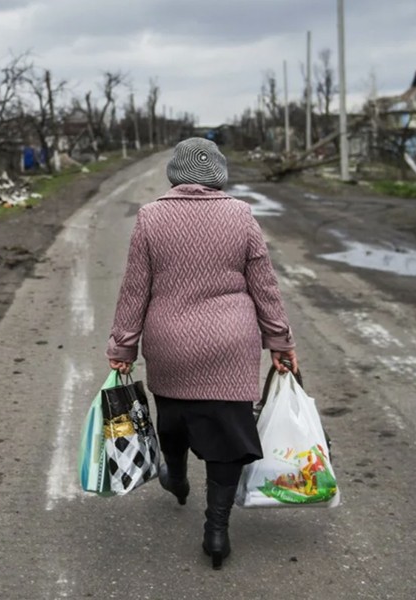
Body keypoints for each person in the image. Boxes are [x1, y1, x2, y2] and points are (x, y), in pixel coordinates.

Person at [106, 137, 298, 570]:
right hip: (231, 344)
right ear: (219, 176)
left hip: (170, 343)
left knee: (173, 418)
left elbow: (135, 288)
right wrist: (281, 343)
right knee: (227, 437)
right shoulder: (241, 215)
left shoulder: (151, 217)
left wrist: (123, 346)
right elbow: (264, 287)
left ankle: (174, 475)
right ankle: (216, 531)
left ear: (175, 173)